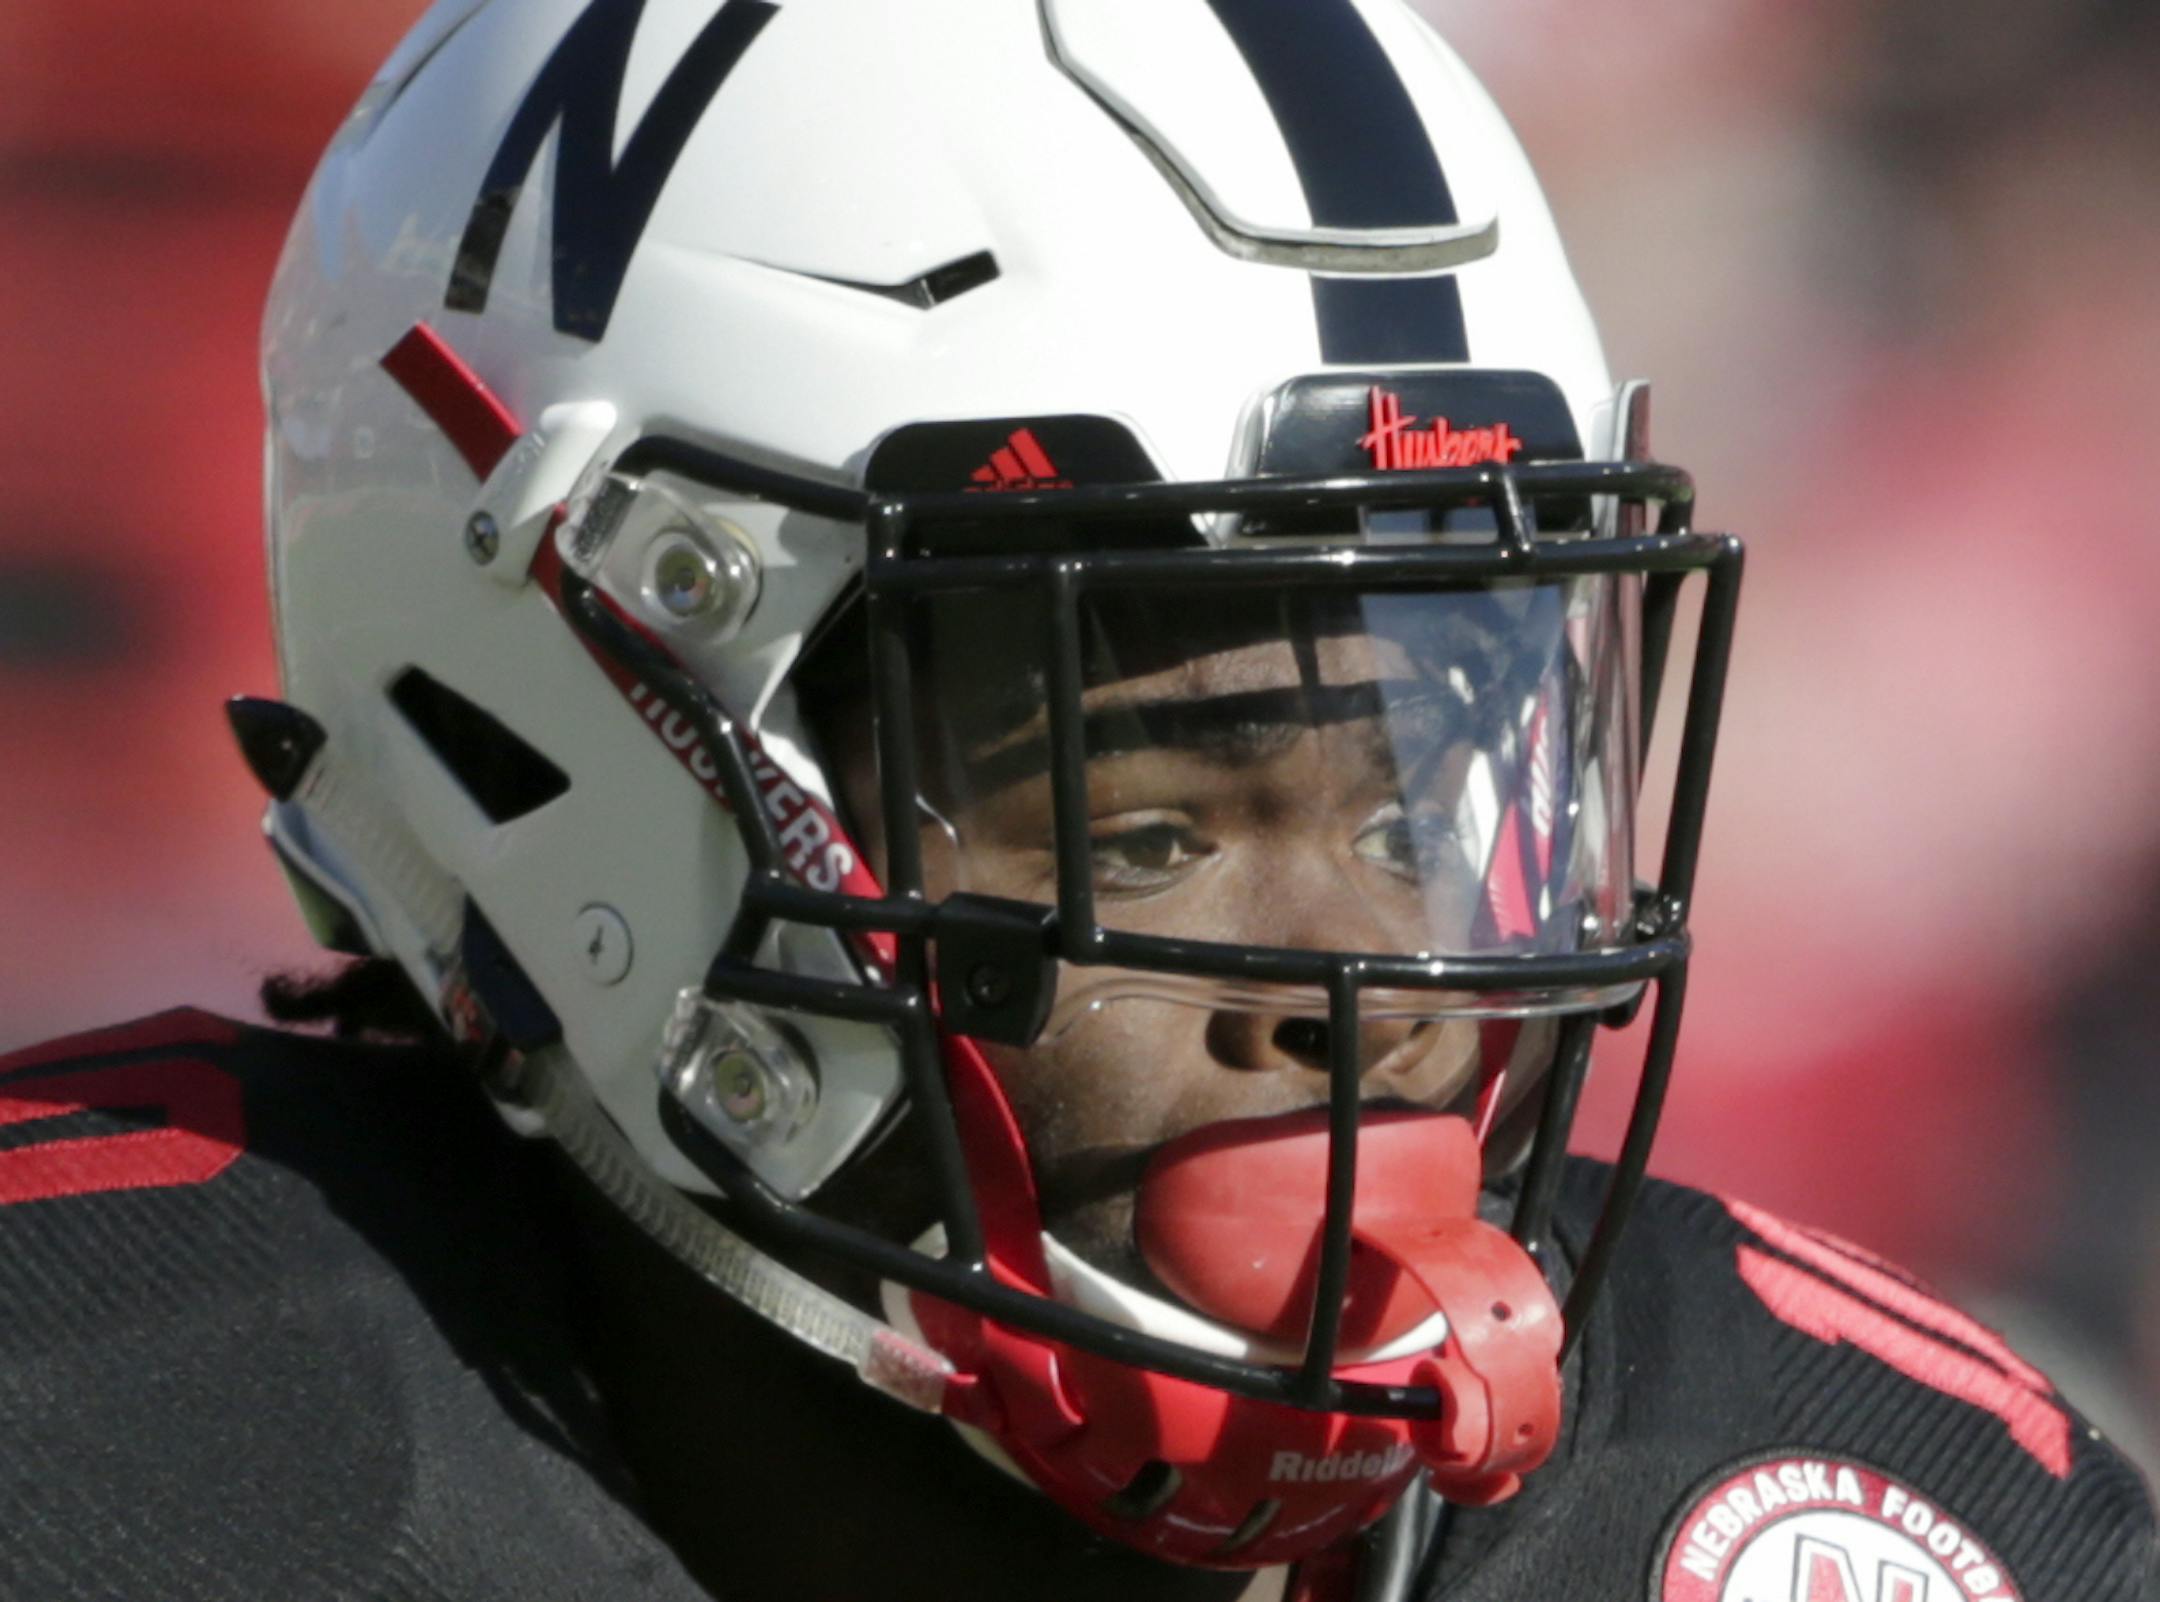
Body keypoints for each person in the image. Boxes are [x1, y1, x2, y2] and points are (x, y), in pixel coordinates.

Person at [0, 0, 2151, 1598]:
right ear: (549, 755)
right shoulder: (118, 1431)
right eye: (1149, 828)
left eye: (1414, 807)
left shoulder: (1855, 1513)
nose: (1363, 990)